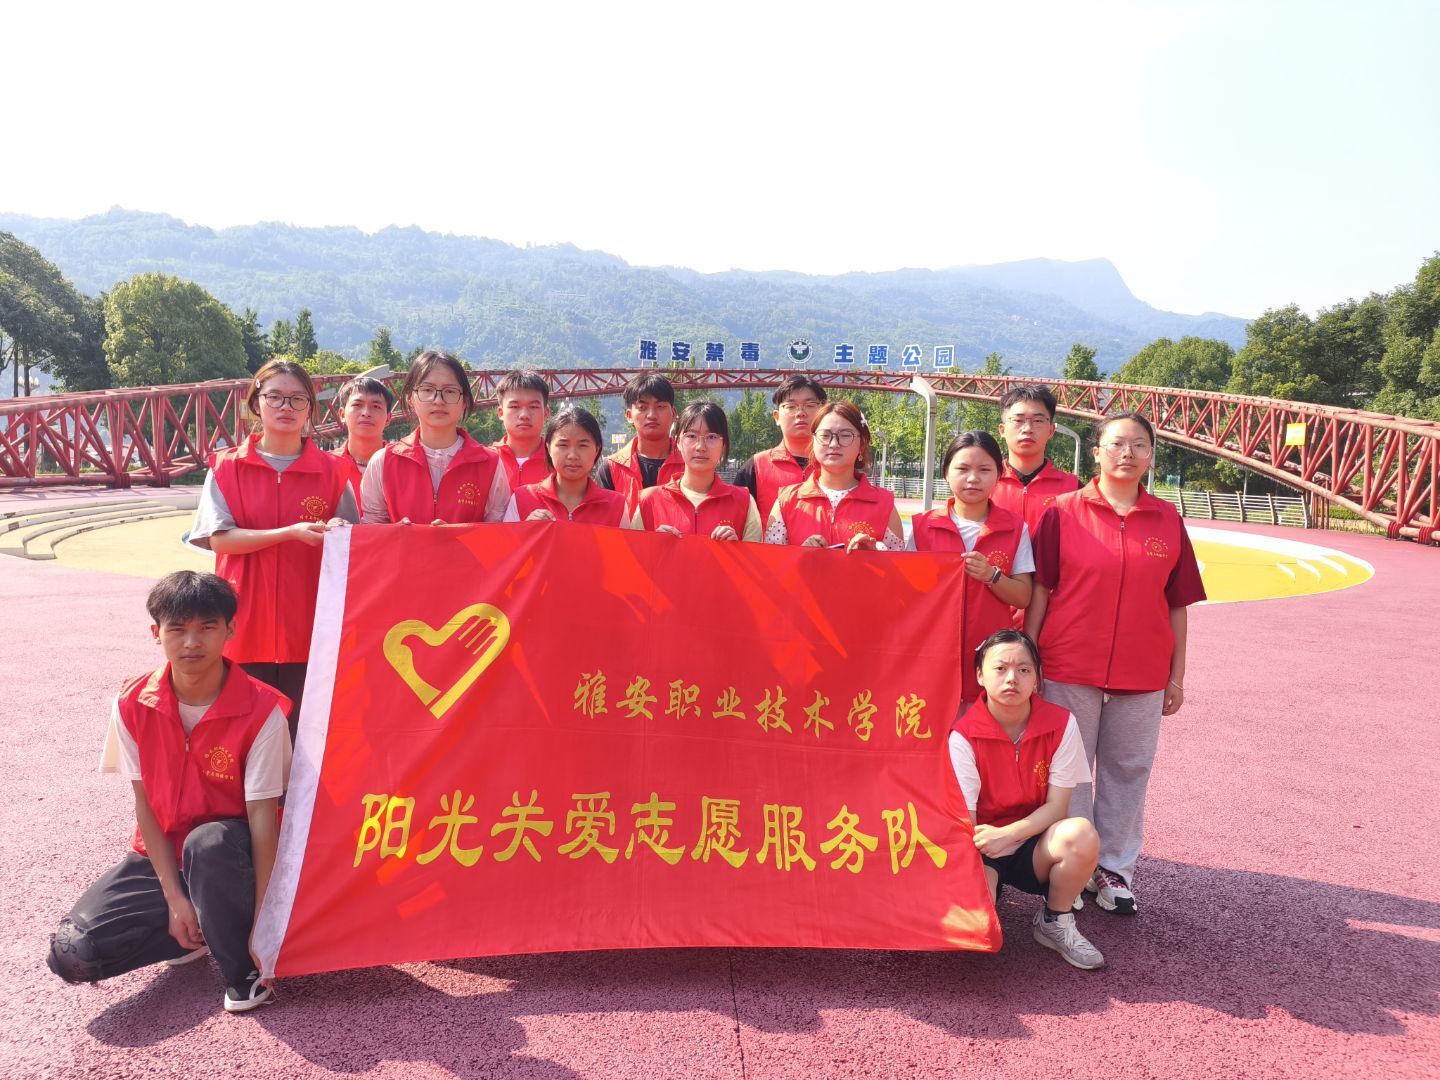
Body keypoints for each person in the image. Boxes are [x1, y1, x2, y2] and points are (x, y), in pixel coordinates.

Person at [46, 572, 291, 1012]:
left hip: (231, 857)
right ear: (156, 633)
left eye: (207, 627)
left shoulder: (263, 709)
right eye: (177, 629)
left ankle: (244, 969)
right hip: (163, 855)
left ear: (230, 630)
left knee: (208, 842)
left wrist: (265, 919)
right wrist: (175, 900)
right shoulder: (132, 703)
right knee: (72, 952)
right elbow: (144, 804)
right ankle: (194, 933)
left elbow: (262, 818)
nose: (191, 642)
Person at [1026, 412, 1206, 915]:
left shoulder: (1167, 519)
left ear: (1151, 456)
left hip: (1143, 670)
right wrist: (1032, 654)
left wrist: (1176, 675)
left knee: (1129, 769)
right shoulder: (1063, 512)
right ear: (1097, 452)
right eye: (1117, 444)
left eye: (1139, 445)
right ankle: (1075, 863)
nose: (1128, 453)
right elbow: (1041, 589)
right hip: (1068, 663)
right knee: (1071, 770)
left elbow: (1178, 603)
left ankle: (1114, 870)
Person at [188, 360, 355, 736]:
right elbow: (219, 539)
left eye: (297, 399)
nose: (286, 407)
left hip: (311, 629)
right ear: (256, 403)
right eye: (275, 397)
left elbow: (354, 544)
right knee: (241, 738)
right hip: (241, 626)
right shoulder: (227, 467)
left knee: (307, 739)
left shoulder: (334, 472)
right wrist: (288, 533)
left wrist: (340, 529)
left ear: (310, 408)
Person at [950, 630, 1103, 970]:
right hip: (983, 847)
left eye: (1023, 669)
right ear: (980, 675)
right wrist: (988, 854)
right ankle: (988, 897)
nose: (1012, 679)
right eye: (1000, 668)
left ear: (1037, 677)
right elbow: (966, 822)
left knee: (1081, 833)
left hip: (1034, 844)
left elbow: (1058, 807)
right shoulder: (962, 737)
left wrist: (1009, 834)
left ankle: (1055, 921)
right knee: (974, 934)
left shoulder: (1061, 723)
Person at [909, 431, 1034, 702]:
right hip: (934, 653)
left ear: (999, 475)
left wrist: (992, 576)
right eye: (963, 469)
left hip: (992, 659)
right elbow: (907, 593)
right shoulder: (922, 526)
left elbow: (1023, 596)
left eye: (984, 470)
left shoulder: (1015, 528)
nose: (973, 478)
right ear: (946, 473)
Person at [359, 350, 510, 525]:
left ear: (465, 401)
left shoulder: (490, 464)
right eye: (427, 389)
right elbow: (371, 530)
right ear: (410, 398)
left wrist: (457, 535)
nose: (438, 400)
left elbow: (499, 533)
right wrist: (397, 534)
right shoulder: (384, 461)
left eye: (450, 391)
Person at [765, 401, 904, 552]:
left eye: (845, 435)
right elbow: (771, 563)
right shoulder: (786, 502)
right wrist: (800, 555)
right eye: (825, 435)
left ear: (862, 443)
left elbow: (900, 564)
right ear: (813, 440)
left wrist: (873, 556)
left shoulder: (885, 506)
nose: (833, 444)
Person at [637, 401, 761, 541]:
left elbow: (756, 555)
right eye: (691, 436)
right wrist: (652, 545)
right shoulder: (648, 501)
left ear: (723, 444)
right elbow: (631, 554)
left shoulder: (744, 502)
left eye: (712, 437)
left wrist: (737, 548)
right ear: (678, 442)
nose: (701, 447)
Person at [503, 407, 633, 527]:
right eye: (563, 445)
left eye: (583, 445)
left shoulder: (617, 505)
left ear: (597, 449)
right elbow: (508, 544)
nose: (572, 456)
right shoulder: (522, 499)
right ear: (548, 448)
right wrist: (525, 531)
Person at [733, 374, 826, 523]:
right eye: (791, 406)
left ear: (823, 413)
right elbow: (737, 524)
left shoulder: (836, 465)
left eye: (810, 405)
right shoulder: (755, 467)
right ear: (777, 417)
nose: (800, 413)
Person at [992, 386, 1082, 532]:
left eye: (1038, 421)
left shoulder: (1074, 488)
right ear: (1002, 430)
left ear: (1051, 430)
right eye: (1018, 420)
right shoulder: (986, 482)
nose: (1027, 429)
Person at [596, 372, 683, 515]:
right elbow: (603, 521)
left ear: (673, 414)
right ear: (629, 415)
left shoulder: (690, 463)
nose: (652, 415)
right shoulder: (611, 468)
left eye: (660, 406)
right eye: (642, 407)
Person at [330, 375, 395, 499]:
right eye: (357, 405)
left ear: (388, 418)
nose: (366, 413)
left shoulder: (404, 466)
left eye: (376, 406)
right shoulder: (327, 467)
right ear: (342, 415)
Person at [490, 369, 553, 488]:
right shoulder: (485, 461)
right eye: (515, 406)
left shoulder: (559, 462)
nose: (524, 415)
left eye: (533, 406)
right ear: (501, 413)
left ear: (546, 413)